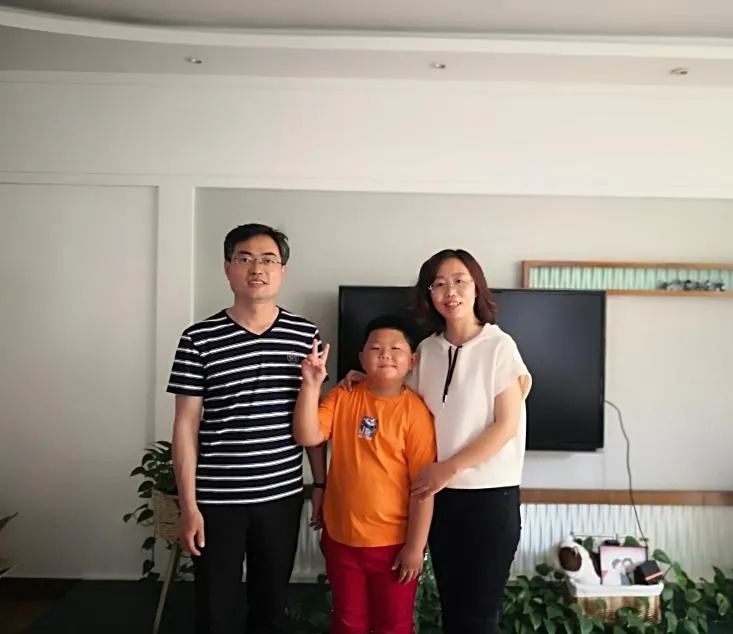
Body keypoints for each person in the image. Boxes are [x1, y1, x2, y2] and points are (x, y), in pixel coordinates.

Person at [343, 249, 532, 634]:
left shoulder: (500, 347)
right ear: (428, 294)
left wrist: (449, 467)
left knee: (479, 618)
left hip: (489, 499)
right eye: (439, 284)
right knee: (453, 613)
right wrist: (367, 377)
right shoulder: (426, 350)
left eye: (460, 281)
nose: (451, 291)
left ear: (477, 287)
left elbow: (506, 425)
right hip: (439, 499)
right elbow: (400, 397)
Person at [168, 223, 327, 634]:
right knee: (215, 609)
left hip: (281, 497)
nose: (257, 268)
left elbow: (312, 417)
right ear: (228, 268)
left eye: (268, 259)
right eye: (245, 258)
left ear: (282, 271)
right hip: (216, 500)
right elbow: (185, 426)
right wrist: (189, 506)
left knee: (270, 607)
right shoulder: (198, 339)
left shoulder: (304, 335)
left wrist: (321, 483)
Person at [293, 315, 437, 634]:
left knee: (394, 625)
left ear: (412, 361)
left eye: (396, 348)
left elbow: (423, 488)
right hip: (341, 540)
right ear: (361, 358)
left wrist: (415, 547)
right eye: (375, 348)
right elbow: (307, 435)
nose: (385, 354)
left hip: (393, 545)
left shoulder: (416, 413)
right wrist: (311, 385)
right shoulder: (343, 396)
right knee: (347, 623)